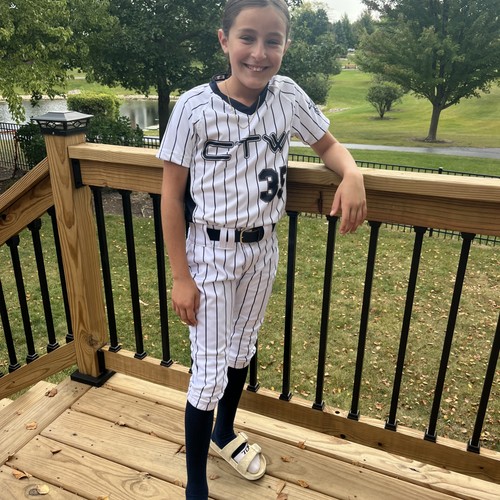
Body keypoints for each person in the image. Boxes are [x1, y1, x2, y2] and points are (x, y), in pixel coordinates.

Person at [158, 0, 367, 497]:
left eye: (272, 40)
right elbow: (170, 196)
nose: (259, 52)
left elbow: (327, 146)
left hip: (262, 250)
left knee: (242, 348)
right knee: (208, 373)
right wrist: (181, 277)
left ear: (285, 45)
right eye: (247, 37)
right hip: (210, 254)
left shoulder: (287, 96)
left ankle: (224, 433)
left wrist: (353, 172)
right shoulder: (193, 108)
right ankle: (195, 486)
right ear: (224, 40)